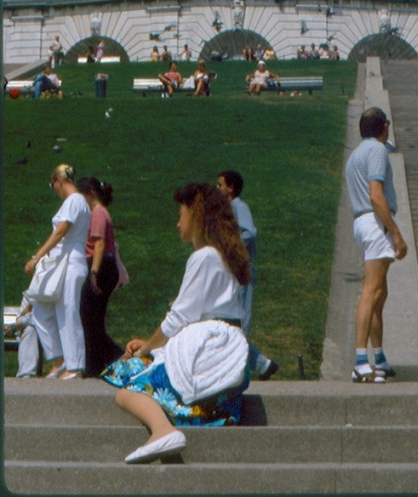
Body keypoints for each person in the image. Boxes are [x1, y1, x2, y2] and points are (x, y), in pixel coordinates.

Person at [103, 182, 251, 464]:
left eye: (181, 214)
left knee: (125, 391)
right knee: (137, 367)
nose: (177, 223)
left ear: (195, 216)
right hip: (223, 355)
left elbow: (180, 317)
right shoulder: (221, 257)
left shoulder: (204, 257)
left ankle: (162, 430)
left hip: (206, 355)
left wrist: (148, 346)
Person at [345, 107, 407, 382]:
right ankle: (361, 360)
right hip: (375, 222)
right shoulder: (378, 151)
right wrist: (396, 233)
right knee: (371, 291)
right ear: (383, 126)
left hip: (362, 222)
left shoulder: (355, 155)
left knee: (379, 293)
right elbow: (376, 195)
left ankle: (378, 357)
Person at [24, 164, 90, 380]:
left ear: (59, 182)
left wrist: (37, 256)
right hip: (61, 264)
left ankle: (75, 365)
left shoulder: (74, 201)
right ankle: (59, 360)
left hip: (70, 263)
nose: (55, 191)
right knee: (41, 310)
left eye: (54, 186)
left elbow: (61, 231)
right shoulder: (76, 202)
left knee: (68, 313)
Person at [216, 170, 278, 380]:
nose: (218, 189)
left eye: (220, 185)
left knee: (240, 323)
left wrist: (231, 248)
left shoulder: (239, 207)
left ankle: (244, 370)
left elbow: (250, 232)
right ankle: (263, 365)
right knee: (230, 323)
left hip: (242, 271)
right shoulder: (226, 209)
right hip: (233, 271)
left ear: (230, 188)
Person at [77, 177, 124, 377]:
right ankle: (102, 363)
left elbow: (100, 244)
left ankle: (112, 358)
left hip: (99, 266)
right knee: (93, 321)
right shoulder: (101, 213)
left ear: (91, 194)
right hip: (104, 266)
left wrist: (94, 272)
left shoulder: (97, 213)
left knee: (89, 319)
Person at [14, 296, 41, 378]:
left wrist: (22, 322)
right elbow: (20, 317)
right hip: (36, 333)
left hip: (55, 333)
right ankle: (26, 375)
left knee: (30, 323)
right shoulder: (29, 295)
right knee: (30, 329)